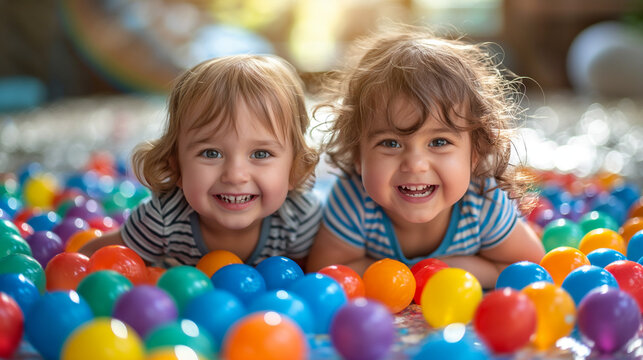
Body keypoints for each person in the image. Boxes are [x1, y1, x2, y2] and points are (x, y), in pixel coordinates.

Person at [306, 25, 545, 288]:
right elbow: (325, 271)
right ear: (358, 155)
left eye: (439, 141)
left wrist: (449, 270)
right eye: (391, 143)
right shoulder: (353, 198)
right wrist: (416, 275)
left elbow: (531, 268)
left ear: (475, 153)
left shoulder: (484, 200)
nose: (416, 164)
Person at [79, 55, 322, 267]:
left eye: (260, 154)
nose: (235, 175)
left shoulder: (299, 218)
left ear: (295, 168)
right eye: (211, 153)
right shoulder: (162, 220)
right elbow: (90, 259)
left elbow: (314, 276)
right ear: (175, 165)